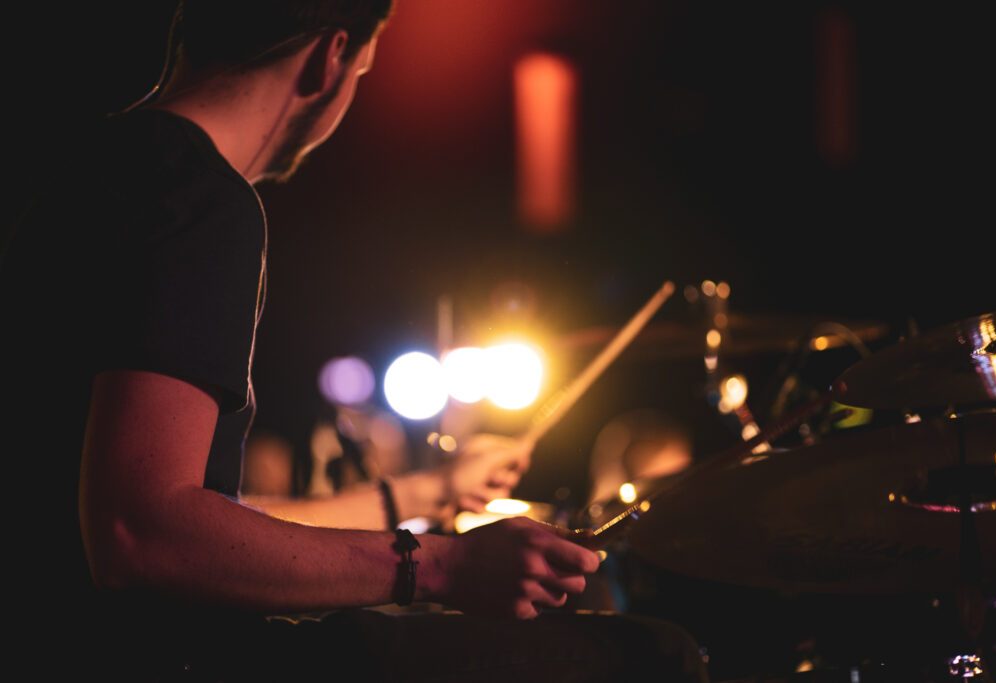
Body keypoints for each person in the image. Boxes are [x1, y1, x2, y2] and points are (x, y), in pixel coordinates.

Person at [0, 2, 705, 680]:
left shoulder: (84, 169)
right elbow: (139, 531)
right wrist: (441, 566)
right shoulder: (200, 196)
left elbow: (203, 521)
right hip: (156, 662)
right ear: (332, 57)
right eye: (364, 73)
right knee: (651, 656)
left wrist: (427, 492)